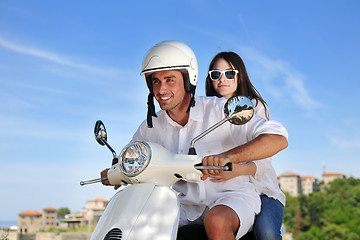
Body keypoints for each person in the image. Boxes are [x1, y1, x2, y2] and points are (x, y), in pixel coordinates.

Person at [101, 40, 288, 240]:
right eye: (155, 81)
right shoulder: (150, 126)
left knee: (217, 221)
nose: (161, 89)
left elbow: (278, 138)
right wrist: (116, 171)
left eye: (169, 80)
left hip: (231, 196)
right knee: (141, 227)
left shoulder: (220, 110)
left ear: (188, 79)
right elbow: (132, 157)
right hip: (183, 205)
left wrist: (228, 157)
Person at [205, 51, 286, 240]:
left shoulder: (255, 107)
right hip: (224, 191)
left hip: (261, 190)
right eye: (216, 74)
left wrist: (235, 170)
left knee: (266, 233)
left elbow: (264, 160)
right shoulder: (205, 110)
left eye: (229, 73)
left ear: (239, 76)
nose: (222, 79)